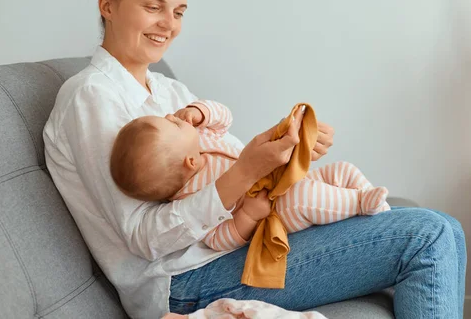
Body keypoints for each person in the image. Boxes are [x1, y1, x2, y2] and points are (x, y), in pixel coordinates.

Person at [43, 0, 467, 319]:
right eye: (153, 7)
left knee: (449, 229)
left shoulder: (168, 90)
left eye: (178, 11)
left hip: (234, 243)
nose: (169, 24)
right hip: (184, 281)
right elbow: (143, 237)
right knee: (428, 236)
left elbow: (222, 167)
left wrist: (285, 149)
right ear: (107, 5)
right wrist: (247, 170)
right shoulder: (90, 98)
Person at [109, 99, 391, 252]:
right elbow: (218, 239)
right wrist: (248, 217)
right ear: (190, 161)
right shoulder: (191, 198)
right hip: (274, 209)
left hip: (283, 181)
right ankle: (359, 203)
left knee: (343, 170)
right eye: (173, 125)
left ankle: (382, 212)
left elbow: (225, 117)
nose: (173, 116)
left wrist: (200, 111)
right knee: (304, 198)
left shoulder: (206, 138)